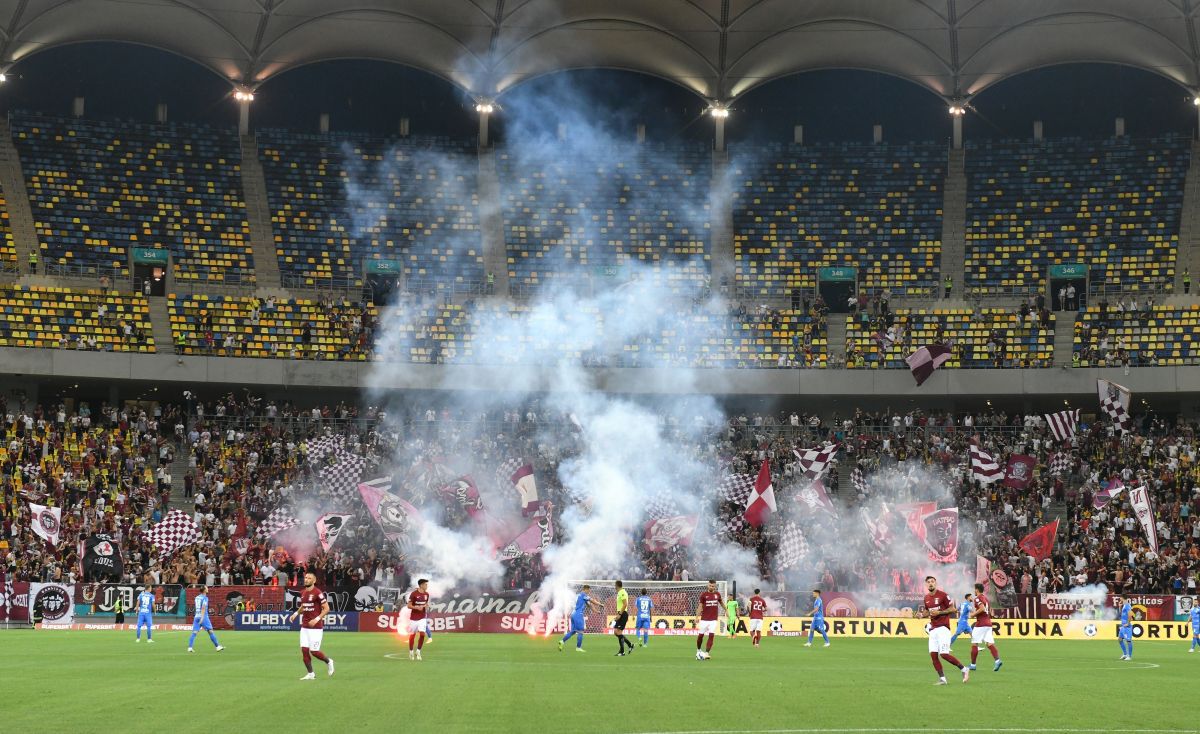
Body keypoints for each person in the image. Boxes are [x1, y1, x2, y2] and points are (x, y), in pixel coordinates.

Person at [918, 575, 968, 685]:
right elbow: (927, 611)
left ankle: (964, 669)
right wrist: (921, 615)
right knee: (933, 655)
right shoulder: (926, 598)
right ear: (926, 585)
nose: (930, 583)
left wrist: (940, 612)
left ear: (935, 583)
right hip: (933, 629)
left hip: (943, 628)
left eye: (932, 581)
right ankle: (942, 679)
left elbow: (953, 609)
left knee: (944, 654)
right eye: (928, 582)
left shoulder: (943, 595)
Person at [288, 572, 334, 679]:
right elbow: (304, 606)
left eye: (309, 578)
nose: (306, 579)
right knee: (304, 651)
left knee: (314, 652)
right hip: (304, 627)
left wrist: (317, 619)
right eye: (305, 578)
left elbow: (327, 608)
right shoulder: (303, 592)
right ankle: (310, 674)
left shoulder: (318, 592)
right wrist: (295, 614)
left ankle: (328, 661)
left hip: (316, 628)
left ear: (314, 581)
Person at [968, 583, 1001, 671]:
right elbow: (987, 610)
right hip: (988, 623)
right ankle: (997, 660)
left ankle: (973, 665)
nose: (974, 591)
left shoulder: (978, 598)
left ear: (977, 590)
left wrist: (973, 614)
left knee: (974, 643)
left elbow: (982, 608)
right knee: (989, 643)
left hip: (981, 624)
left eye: (974, 589)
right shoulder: (985, 598)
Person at [558, 584, 600, 652]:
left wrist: (596, 611)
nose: (589, 592)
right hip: (578, 614)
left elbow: (589, 605)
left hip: (573, 614)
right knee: (581, 631)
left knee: (573, 631)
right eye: (588, 590)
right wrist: (600, 604)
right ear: (585, 589)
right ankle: (578, 647)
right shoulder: (583, 595)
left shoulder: (579, 596)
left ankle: (562, 641)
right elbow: (592, 601)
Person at [188, 585, 224, 653]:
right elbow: (203, 608)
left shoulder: (196, 597)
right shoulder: (205, 598)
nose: (208, 589)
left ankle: (190, 647)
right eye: (206, 588)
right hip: (203, 616)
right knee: (210, 631)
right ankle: (217, 646)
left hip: (196, 616)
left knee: (194, 632)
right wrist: (202, 618)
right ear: (204, 590)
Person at [694, 580, 722, 660]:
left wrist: (726, 610)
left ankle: (706, 653)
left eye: (713, 586)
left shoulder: (717, 594)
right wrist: (696, 617)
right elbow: (700, 607)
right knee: (700, 636)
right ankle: (698, 650)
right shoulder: (703, 595)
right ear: (707, 585)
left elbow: (721, 602)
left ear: (715, 586)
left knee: (711, 635)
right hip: (704, 619)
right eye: (710, 585)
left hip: (713, 620)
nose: (711, 587)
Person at [407, 578, 430, 661]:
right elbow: (408, 605)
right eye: (425, 584)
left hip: (422, 617)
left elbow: (426, 603)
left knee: (422, 634)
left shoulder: (427, 594)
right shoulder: (413, 594)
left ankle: (418, 651)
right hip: (413, 618)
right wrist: (416, 607)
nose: (426, 586)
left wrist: (426, 606)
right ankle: (411, 651)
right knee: (412, 635)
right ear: (421, 585)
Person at [613, 580, 633, 656]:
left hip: (623, 614)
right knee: (616, 632)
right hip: (621, 613)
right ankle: (630, 644)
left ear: (617, 585)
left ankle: (622, 651)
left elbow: (625, 604)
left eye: (615, 585)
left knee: (618, 632)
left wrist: (620, 614)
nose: (614, 587)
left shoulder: (622, 592)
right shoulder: (619, 593)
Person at [1116, 595, 1133, 660]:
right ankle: (1125, 654)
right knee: (1120, 639)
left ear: (1123, 598)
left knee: (1128, 641)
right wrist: (1120, 607)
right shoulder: (1124, 606)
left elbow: (1130, 615)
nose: (1120, 599)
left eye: (1120, 598)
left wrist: (1128, 623)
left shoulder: (1128, 606)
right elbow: (1121, 615)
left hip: (1127, 626)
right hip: (1123, 626)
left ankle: (1129, 656)